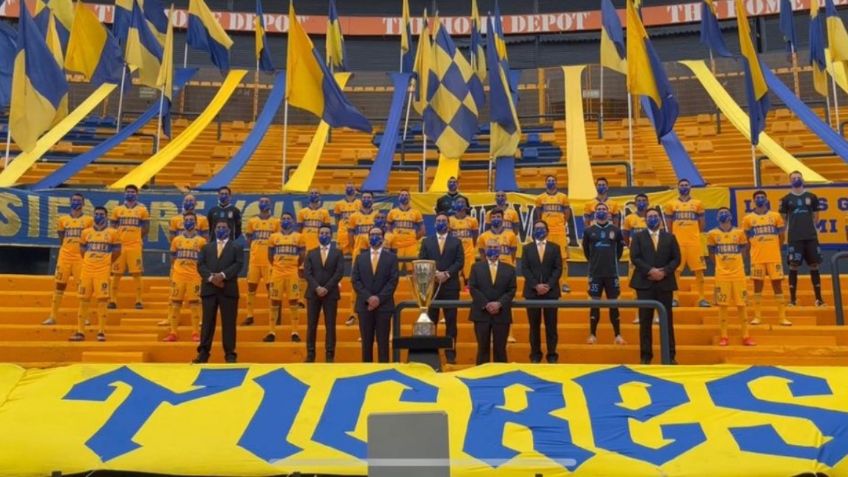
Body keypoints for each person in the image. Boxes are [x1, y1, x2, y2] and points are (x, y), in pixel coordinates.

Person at [630, 209, 680, 365]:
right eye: (650, 216)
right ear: (646, 219)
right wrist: (650, 270)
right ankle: (646, 357)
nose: (653, 219)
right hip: (644, 284)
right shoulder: (638, 237)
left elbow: (676, 258)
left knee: (667, 321)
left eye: (655, 216)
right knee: (645, 322)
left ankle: (670, 357)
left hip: (665, 284)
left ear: (660, 219)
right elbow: (635, 257)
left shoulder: (670, 237)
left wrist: (664, 272)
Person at [194, 220, 243, 364]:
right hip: (209, 289)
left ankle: (230, 354)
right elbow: (200, 265)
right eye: (218, 227)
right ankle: (203, 353)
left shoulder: (236, 247)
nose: (221, 229)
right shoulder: (206, 247)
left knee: (229, 323)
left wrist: (222, 275)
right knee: (207, 322)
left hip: (228, 289)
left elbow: (238, 265)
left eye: (224, 227)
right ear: (214, 230)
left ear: (229, 230)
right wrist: (211, 278)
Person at [418, 213, 465, 364]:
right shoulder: (427, 242)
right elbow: (422, 259)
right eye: (438, 221)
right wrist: (435, 273)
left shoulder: (456, 241)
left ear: (449, 224)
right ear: (434, 223)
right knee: (431, 320)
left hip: (450, 286)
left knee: (451, 321)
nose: (441, 223)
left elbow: (460, 261)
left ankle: (450, 353)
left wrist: (447, 273)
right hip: (431, 286)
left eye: (444, 221)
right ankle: (431, 352)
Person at [69, 206, 120, 342]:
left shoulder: (113, 233)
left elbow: (117, 252)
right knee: (83, 300)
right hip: (87, 271)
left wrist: (106, 262)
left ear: (106, 216)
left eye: (101, 214)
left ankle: (101, 331)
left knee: (102, 301)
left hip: (102, 271)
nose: (99, 216)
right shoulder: (86, 233)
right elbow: (82, 250)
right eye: (96, 214)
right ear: (93, 216)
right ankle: (80, 331)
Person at [707, 208, 755, 347]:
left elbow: (745, 250)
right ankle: (724, 336)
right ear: (717, 217)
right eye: (720, 212)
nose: (723, 214)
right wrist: (720, 266)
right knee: (722, 306)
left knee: (742, 305)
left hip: (738, 274)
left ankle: (746, 336)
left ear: (731, 215)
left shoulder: (739, 233)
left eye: (725, 212)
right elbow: (711, 253)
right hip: (721, 275)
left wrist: (737, 263)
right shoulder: (712, 234)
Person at [351, 227, 399, 362]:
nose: (374, 237)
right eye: (372, 234)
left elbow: (393, 281)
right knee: (366, 343)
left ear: (383, 238)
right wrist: (369, 298)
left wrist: (378, 299)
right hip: (364, 306)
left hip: (384, 307)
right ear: (368, 237)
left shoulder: (391, 258)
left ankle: (383, 371)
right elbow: (355, 280)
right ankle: (367, 371)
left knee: (383, 343)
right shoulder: (360, 258)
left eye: (378, 235)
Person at [742, 191, 791, 326]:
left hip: (774, 257)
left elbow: (782, 237)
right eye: (757, 198)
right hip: (757, 258)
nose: (760, 199)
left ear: (767, 200)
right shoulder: (748, 219)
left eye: (762, 197)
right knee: (757, 286)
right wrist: (747, 253)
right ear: (753, 201)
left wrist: (775, 248)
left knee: (778, 286)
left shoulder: (775, 216)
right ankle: (757, 316)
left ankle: (782, 317)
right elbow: (746, 239)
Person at [45, 193, 93, 325]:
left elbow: (91, 237)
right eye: (74, 200)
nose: (76, 202)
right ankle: (53, 316)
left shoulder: (89, 220)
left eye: (79, 200)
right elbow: (62, 236)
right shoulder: (63, 219)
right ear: (70, 202)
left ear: (83, 203)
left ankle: (84, 317)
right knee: (60, 285)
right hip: (65, 256)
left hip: (80, 257)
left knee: (82, 287)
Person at [582, 203, 626, 345]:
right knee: (594, 304)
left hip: (612, 273)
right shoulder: (589, 231)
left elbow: (619, 251)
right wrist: (595, 262)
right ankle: (593, 335)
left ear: (608, 213)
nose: (601, 211)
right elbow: (586, 251)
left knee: (614, 304)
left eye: (604, 209)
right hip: (595, 274)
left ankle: (618, 335)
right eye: (599, 209)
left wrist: (611, 262)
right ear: (595, 213)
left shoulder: (616, 230)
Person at [779, 171, 825, 307]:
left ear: (803, 179)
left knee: (814, 265)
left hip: (810, 237)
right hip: (794, 238)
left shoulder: (812, 196)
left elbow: (816, 216)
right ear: (790, 181)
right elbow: (783, 220)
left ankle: (819, 299)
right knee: (793, 266)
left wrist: (813, 228)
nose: (796, 179)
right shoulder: (786, 199)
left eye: (798, 177)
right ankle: (792, 300)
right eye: (793, 178)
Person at [468, 239, 517, 364]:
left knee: (500, 350)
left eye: (495, 247)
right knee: (482, 348)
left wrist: (499, 303)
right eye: (490, 247)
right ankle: (481, 378)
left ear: (500, 250)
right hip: (481, 314)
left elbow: (512, 290)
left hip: (501, 314)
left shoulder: (509, 269)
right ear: (484, 249)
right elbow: (472, 287)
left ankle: (501, 378)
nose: (493, 249)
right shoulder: (476, 267)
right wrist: (486, 304)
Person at [663, 178, 710, 308]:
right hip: (678, 242)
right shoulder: (671, 204)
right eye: (681, 185)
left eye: (686, 185)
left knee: (699, 271)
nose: (684, 187)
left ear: (690, 187)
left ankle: (702, 298)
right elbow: (669, 224)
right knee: (676, 271)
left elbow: (702, 224)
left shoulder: (698, 203)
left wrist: (694, 233)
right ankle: (675, 298)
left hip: (694, 242)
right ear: (678, 187)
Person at [521, 220, 563, 363]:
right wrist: (536, 286)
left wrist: (548, 286)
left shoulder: (555, 248)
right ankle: (535, 355)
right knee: (534, 327)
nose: (539, 231)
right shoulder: (527, 248)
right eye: (537, 228)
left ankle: (552, 355)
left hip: (551, 293)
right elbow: (524, 269)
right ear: (533, 231)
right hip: (532, 293)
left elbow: (558, 269)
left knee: (551, 326)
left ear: (547, 231)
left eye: (542, 228)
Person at [163, 211, 207, 342]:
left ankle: (195, 332)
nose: (189, 222)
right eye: (186, 219)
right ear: (183, 222)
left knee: (195, 304)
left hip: (195, 276)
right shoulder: (177, 240)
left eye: (191, 220)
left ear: (196, 222)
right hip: (179, 276)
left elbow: (205, 260)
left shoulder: (202, 241)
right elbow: (172, 256)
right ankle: (173, 333)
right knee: (176, 302)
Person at [303, 225, 344, 363]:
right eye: (321, 233)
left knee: (330, 325)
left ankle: (330, 354)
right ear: (318, 235)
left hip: (331, 293)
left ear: (331, 236)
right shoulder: (311, 253)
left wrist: (326, 287)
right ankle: (310, 354)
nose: (324, 235)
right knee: (311, 324)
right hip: (313, 294)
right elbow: (307, 273)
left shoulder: (338, 253)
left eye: (327, 233)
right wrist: (317, 288)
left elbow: (339, 273)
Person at [108, 184, 149, 310]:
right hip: (120, 246)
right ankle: (112, 300)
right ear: (124, 193)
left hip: (135, 246)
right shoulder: (117, 209)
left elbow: (146, 228)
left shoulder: (142, 210)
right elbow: (112, 228)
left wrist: (136, 238)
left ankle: (139, 300)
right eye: (128, 192)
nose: (130, 193)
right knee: (116, 273)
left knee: (136, 273)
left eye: (132, 192)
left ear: (137, 194)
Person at [267, 212, 306, 343]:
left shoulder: (299, 237)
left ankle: (294, 331)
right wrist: (278, 265)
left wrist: (293, 265)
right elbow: (270, 256)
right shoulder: (273, 237)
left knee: (293, 301)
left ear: (293, 221)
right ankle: (272, 331)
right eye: (283, 218)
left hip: (292, 272)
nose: (285, 221)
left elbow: (302, 256)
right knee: (274, 301)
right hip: (277, 273)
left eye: (288, 219)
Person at [241, 197, 280, 326]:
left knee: (271, 289)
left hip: (269, 261)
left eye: (266, 202)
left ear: (271, 204)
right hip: (254, 260)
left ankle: (274, 316)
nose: (264, 204)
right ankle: (250, 315)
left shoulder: (276, 222)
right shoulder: (252, 221)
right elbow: (249, 238)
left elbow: (278, 241)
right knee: (251, 287)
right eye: (261, 202)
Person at [535, 175, 572, 294]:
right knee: (545, 258)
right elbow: (538, 214)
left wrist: (561, 223)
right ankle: (546, 282)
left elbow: (567, 213)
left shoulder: (563, 197)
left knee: (563, 258)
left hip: (559, 231)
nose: (551, 182)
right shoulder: (540, 198)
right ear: (545, 183)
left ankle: (564, 283)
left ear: (557, 182)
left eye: (553, 180)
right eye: (549, 180)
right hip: (546, 232)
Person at [387, 189, 425, 259]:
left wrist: (413, 238)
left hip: (411, 244)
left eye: (406, 195)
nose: (404, 197)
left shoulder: (416, 212)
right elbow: (388, 228)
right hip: (397, 244)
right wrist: (392, 237)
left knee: (411, 266)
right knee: (397, 266)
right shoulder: (392, 212)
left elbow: (422, 230)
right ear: (398, 198)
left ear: (409, 197)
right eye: (402, 195)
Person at [449, 197, 479, 282]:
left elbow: (475, 236)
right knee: (454, 277)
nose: (460, 204)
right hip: (454, 253)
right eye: (458, 202)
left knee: (469, 278)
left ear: (466, 205)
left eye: (462, 202)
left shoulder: (472, 220)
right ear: (454, 204)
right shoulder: (450, 220)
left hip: (468, 252)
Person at [333, 183, 361, 257]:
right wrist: (341, 228)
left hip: (355, 231)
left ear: (355, 189)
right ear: (345, 189)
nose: (349, 189)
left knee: (356, 253)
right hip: (343, 232)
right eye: (347, 187)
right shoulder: (338, 204)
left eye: (351, 187)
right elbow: (337, 219)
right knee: (341, 254)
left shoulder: (360, 203)